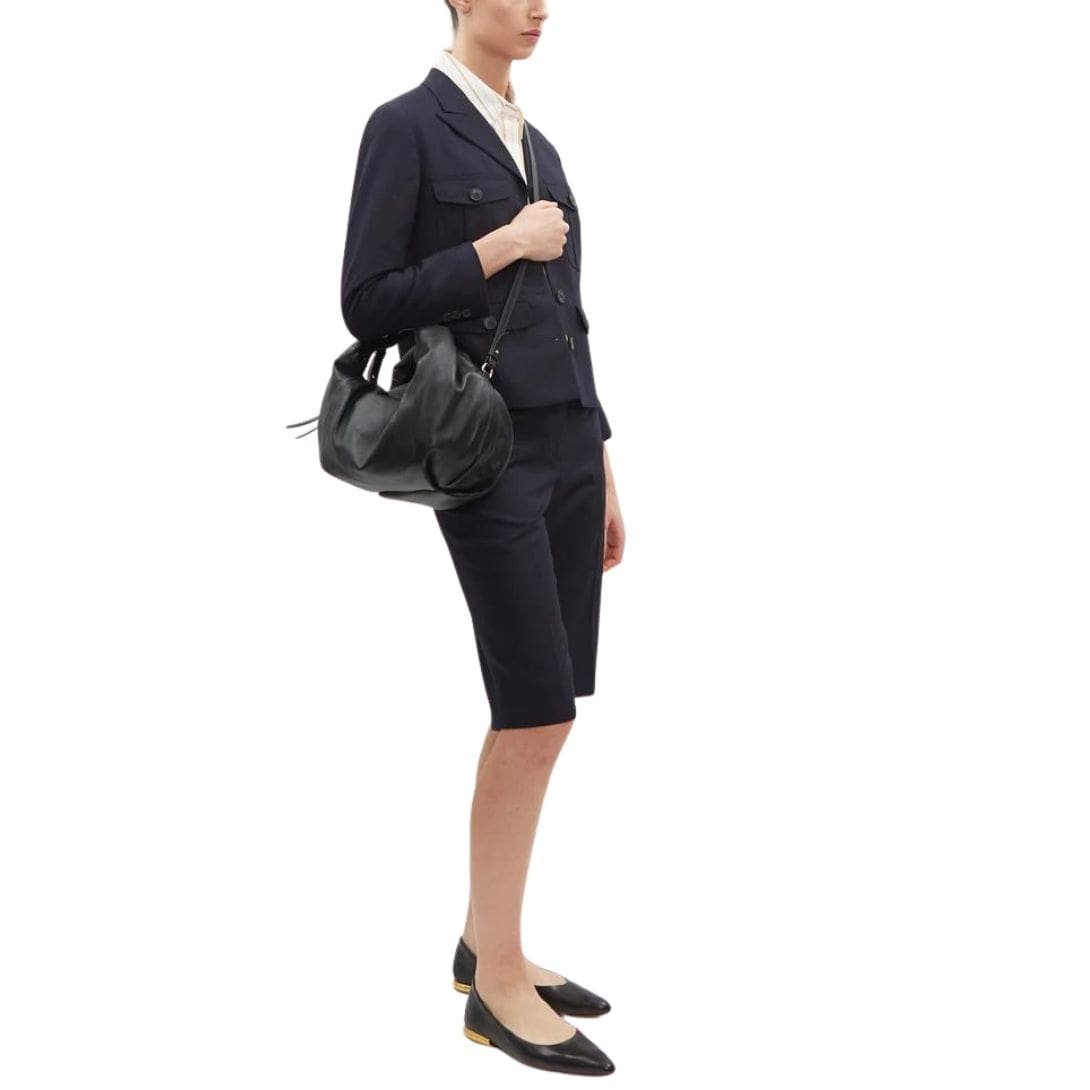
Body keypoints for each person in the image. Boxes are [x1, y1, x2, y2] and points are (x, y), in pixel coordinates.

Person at [339, 1, 625, 1075]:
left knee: (554, 709)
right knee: (533, 709)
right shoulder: (406, 125)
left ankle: (483, 942)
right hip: (486, 451)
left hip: (568, 447)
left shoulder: (536, 141)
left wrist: (604, 462)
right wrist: (502, 243)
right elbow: (367, 299)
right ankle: (496, 988)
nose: (538, 5)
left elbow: (571, 314)